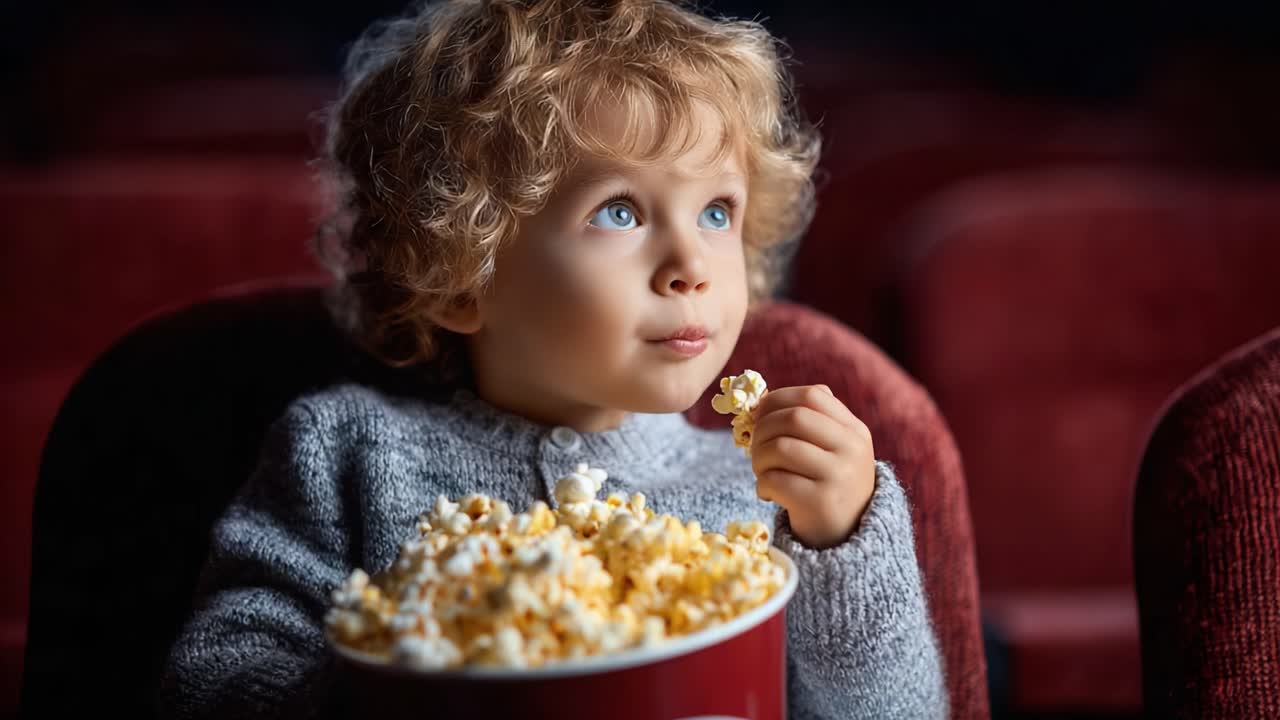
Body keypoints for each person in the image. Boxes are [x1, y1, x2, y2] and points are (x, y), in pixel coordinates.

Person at [158, 0, 947, 717]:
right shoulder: (345, 451)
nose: (691, 262)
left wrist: (843, 543)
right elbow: (212, 683)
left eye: (716, 211)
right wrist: (407, 672)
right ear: (462, 274)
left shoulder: (776, 499)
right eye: (620, 210)